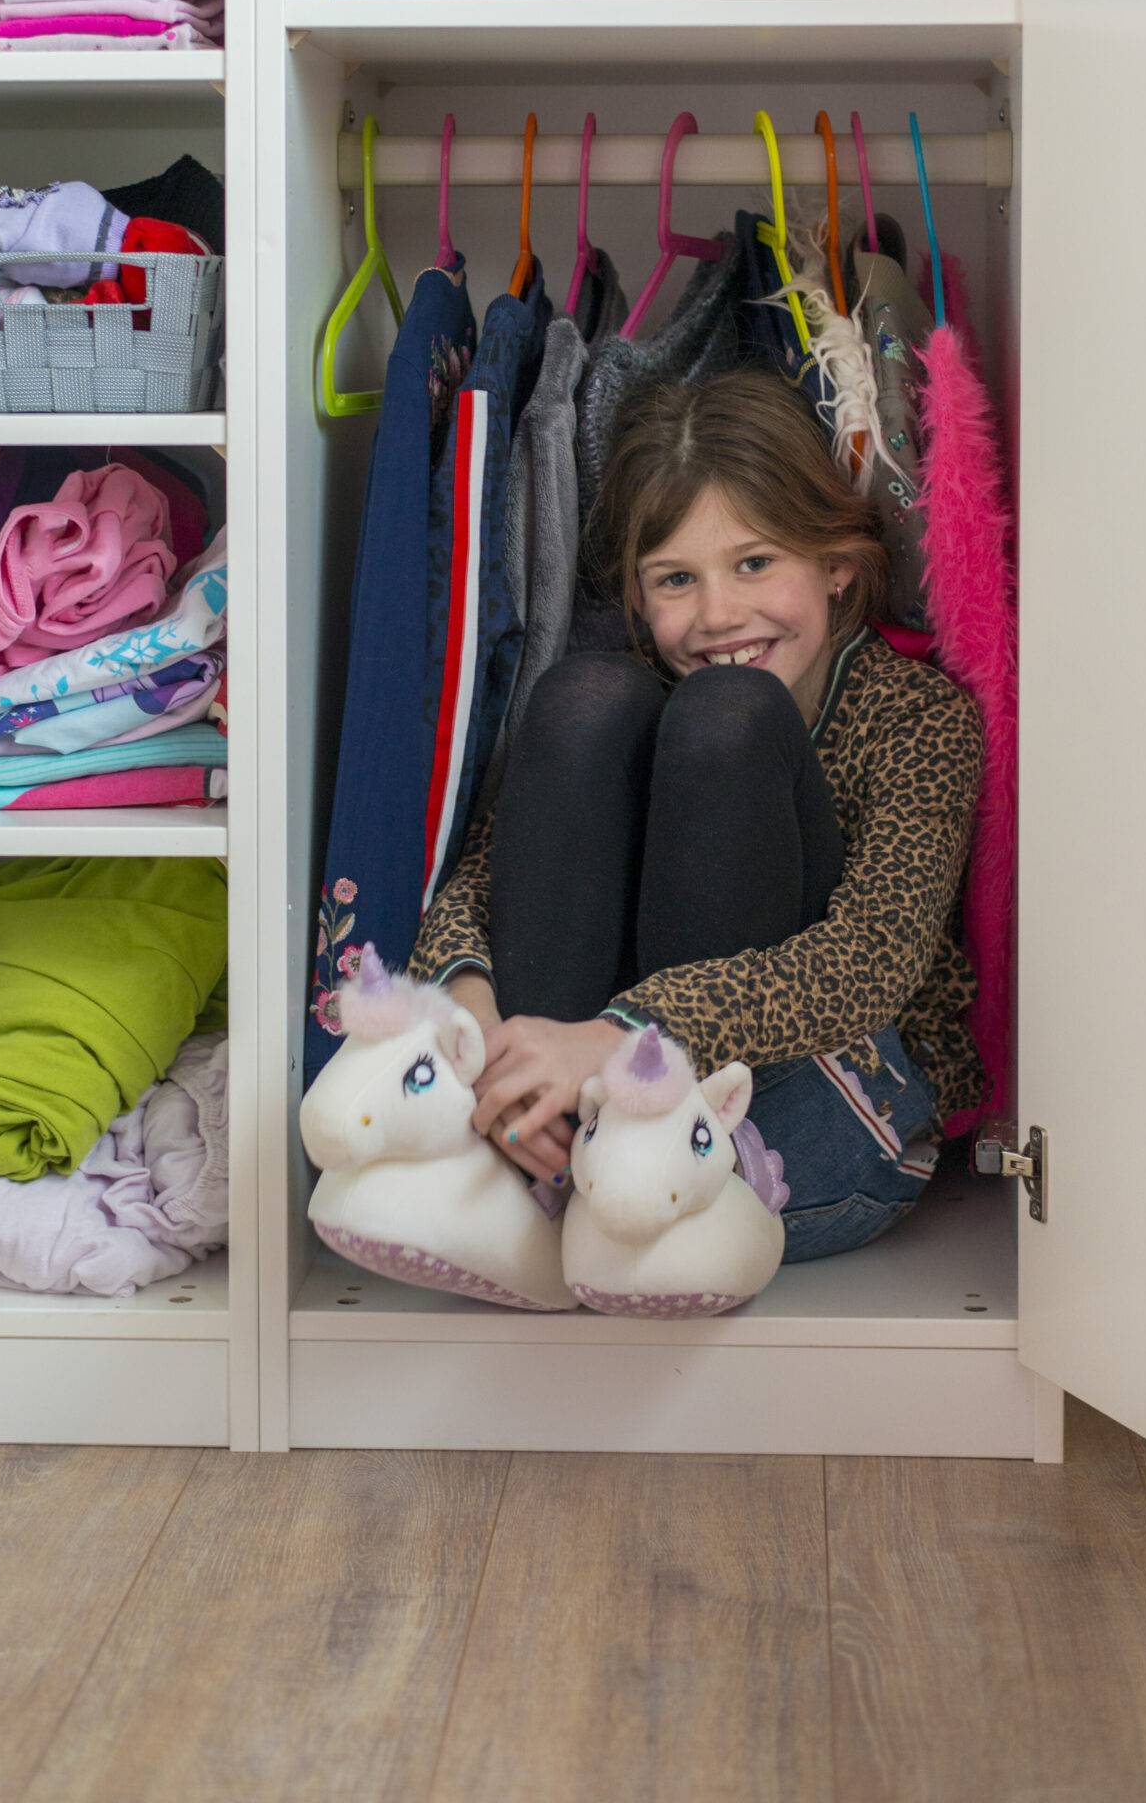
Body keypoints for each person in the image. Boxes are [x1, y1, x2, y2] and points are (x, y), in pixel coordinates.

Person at [406, 369, 985, 1262]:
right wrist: (485, 1034)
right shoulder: (631, 697)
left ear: (835, 565)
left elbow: (869, 960)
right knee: (585, 695)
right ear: (635, 598)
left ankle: (632, 1164)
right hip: (589, 1111)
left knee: (727, 714)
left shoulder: (914, 718)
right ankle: (535, 1157)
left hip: (810, 1117)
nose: (719, 614)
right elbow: (485, 875)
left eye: (754, 563)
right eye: (675, 579)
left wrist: (619, 1036)